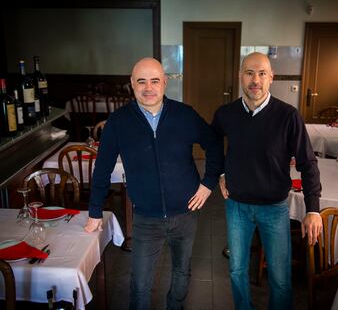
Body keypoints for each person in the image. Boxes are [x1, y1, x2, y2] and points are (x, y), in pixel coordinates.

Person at [84, 57, 222, 310]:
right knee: (140, 284)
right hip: (146, 218)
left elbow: (214, 144)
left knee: (182, 274)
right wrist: (94, 211)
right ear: (132, 84)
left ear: (165, 83)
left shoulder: (185, 115)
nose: (149, 88)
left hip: (186, 212)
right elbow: (102, 169)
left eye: (155, 81)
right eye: (142, 81)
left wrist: (208, 183)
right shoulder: (118, 122)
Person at [211, 52, 322, 310]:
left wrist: (313, 208)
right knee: (237, 270)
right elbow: (212, 141)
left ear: (271, 78)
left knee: (280, 278)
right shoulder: (226, 114)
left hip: (274, 208)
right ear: (240, 77)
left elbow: (308, 163)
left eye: (262, 73)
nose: (255, 80)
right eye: (249, 73)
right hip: (236, 206)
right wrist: (221, 173)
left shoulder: (288, 116)